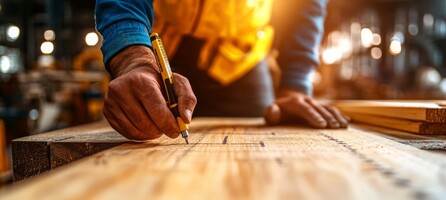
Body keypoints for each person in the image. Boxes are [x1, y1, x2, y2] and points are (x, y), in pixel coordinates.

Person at [95, 0, 349, 140]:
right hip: (162, 50)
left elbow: (304, 7)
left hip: (241, 59)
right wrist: (133, 57)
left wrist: (295, 85)